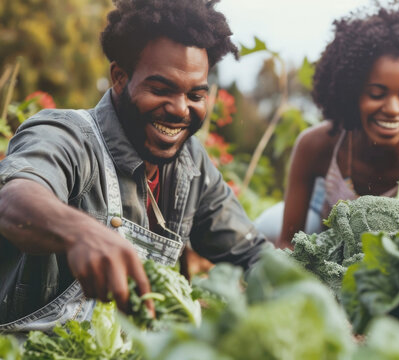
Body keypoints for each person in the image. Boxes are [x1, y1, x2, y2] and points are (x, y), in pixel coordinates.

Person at [0, 0, 267, 333]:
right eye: (161, 89)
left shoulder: (192, 166)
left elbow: (253, 253)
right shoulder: (67, 136)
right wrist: (80, 232)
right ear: (119, 77)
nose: (180, 109)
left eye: (196, 96)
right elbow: (13, 199)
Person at [270, 3, 399, 249]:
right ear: (353, 94)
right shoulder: (316, 145)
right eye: (376, 93)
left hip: (383, 255)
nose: (393, 109)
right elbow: (287, 241)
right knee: (265, 232)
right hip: (319, 225)